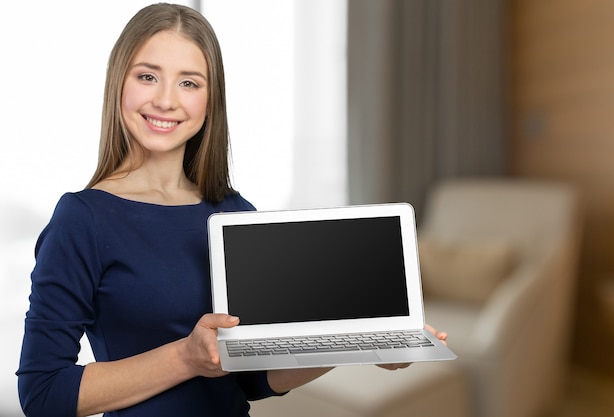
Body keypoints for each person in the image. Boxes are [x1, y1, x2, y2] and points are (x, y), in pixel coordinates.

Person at [16, 3, 448, 417]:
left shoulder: (235, 213)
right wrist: (186, 357)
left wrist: (364, 345)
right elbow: (42, 392)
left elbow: (253, 380)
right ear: (119, 84)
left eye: (189, 82)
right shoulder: (83, 219)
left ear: (210, 99)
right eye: (148, 76)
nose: (167, 100)